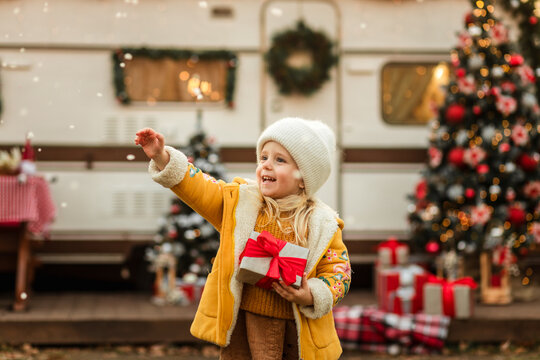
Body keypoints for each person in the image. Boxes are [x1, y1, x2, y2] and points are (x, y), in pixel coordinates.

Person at [135, 117, 351, 360]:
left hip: (297, 330)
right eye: (264, 157)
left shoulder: (322, 223)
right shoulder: (240, 204)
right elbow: (201, 188)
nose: (267, 165)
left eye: (280, 160)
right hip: (246, 324)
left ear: (304, 178)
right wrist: (162, 158)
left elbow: (338, 272)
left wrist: (310, 294)